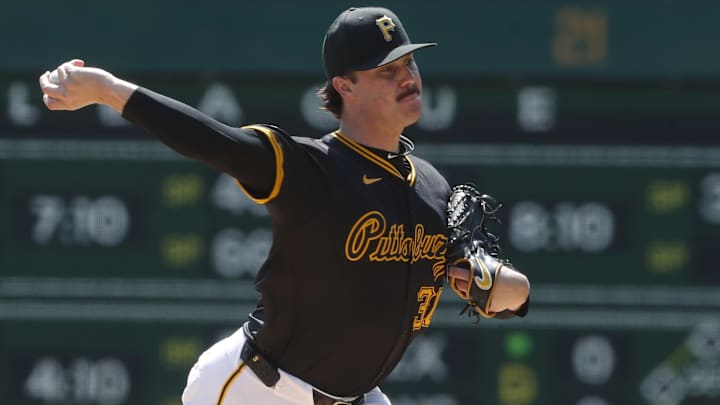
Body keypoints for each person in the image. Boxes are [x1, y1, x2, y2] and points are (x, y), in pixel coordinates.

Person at [39, 6, 530, 405]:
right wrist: (107, 90)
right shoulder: (311, 169)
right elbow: (214, 142)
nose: (407, 77)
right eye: (386, 70)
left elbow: (512, 300)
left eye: (409, 63)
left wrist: (503, 286)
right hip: (260, 389)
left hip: (356, 397)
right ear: (344, 86)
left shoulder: (434, 189)